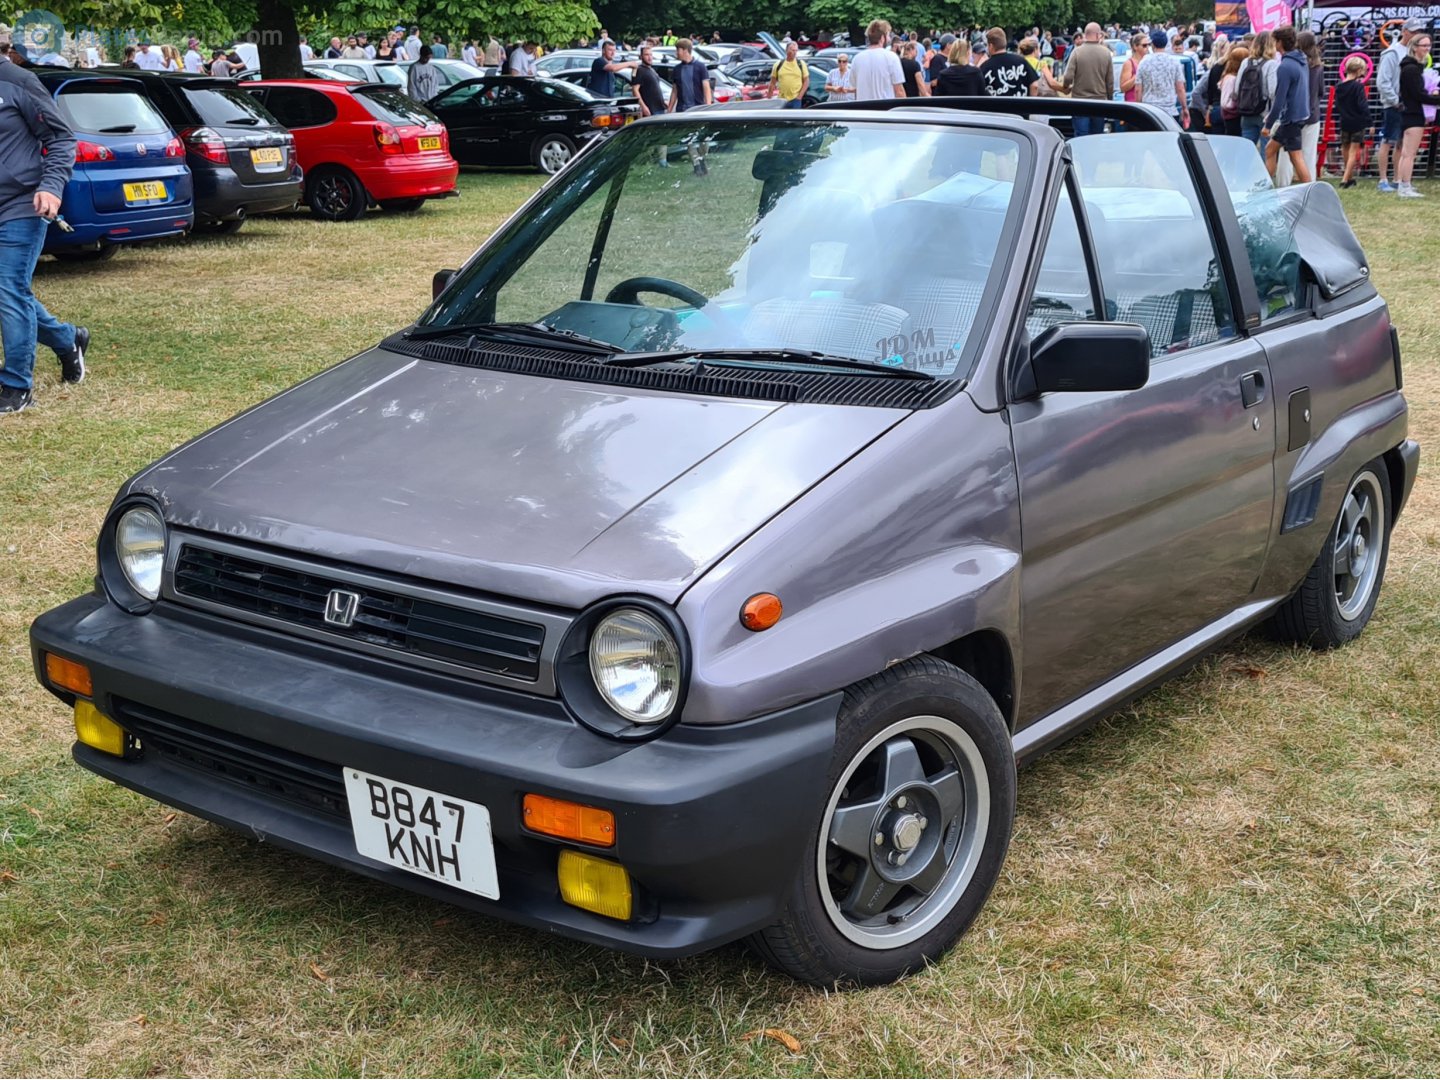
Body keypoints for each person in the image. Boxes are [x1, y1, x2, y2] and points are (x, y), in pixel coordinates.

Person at [0, 47, 88, 415]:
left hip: (21, 203)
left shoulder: (19, 82)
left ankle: (16, 386)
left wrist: (50, 186)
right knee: (11, 290)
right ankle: (68, 340)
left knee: (7, 287)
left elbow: (62, 139)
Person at [1377, 17, 1424, 191]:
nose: (1416, 35)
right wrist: (1395, 101)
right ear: (1404, 31)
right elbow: (1383, 81)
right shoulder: (1392, 53)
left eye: (1418, 32)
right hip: (1394, 104)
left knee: (1401, 144)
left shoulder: (1415, 54)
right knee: (1388, 140)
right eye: (1413, 32)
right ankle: (1383, 179)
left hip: (1408, 104)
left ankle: (1398, 179)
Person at [1262, 25, 1309, 184]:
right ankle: (1266, 187)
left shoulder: (1285, 66)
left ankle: (1311, 192)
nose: (1274, 44)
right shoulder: (1301, 60)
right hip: (1299, 114)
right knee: (1271, 150)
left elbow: (1279, 98)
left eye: (1275, 41)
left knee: (1296, 156)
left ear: (1280, 42)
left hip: (1291, 118)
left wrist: (1268, 125)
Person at [1396, 34, 1440, 197]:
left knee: (1407, 153)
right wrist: (1436, 98)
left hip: (1411, 112)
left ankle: (1403, 184)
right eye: (1424, 46)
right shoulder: (1412, 69)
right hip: (1413, 113)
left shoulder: (1411, 68)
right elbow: (1418, 95)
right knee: (1409, 153)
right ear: (1415, 47)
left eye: (1429, 45)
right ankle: (1405, 186)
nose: (1427, 49)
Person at [666, 38, 712, 174]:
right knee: (689, 139)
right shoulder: (676, 69)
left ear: (685, 50)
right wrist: (669, 109)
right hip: (683, 110)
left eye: (678, 50)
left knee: (704, 140)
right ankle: (696, 165)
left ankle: (702, 158)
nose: (676, 53)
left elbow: (706, 88)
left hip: (699, 109)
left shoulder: (700, 67)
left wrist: (708, 106)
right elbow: (674, 90)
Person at [1063, 22, 1113, 133]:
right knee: (1096, 136)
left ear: (1085, 34)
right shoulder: (1106, 53)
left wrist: (1066, 86)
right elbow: (1110, 81)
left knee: (1081, 135)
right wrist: (1110, 99)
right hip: (1099, 102)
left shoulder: (1077, 52)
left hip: (1079, 101)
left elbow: (1068, 77)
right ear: (1098, 35)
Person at [1136, 27, 1188, 127]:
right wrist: (1184, 108)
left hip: (1150, 111)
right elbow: (1180, 88)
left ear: (1153, 45)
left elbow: (1138, 89)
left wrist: (1139, 107)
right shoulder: (1174, 62)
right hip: (1170, 112)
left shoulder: (1143, 62)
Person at [1335, 56, 1369, 188]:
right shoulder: (1358, 86)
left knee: (1345, 148)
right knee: (1353, 151)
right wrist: (1369, 122)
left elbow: (1337, 105)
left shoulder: (1339, 86)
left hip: (1344, 121)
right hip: (1357, 122)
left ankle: (1349, 177)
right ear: (1359, 70)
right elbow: (1362, 105)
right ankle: (1345, 179)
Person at [851, 19, 905, 100]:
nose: (889, 39)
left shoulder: (857, 59)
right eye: (888, 35)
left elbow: (854, 88)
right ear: (883, 38)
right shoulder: (892, 57)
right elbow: (899, 91)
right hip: (885, 110)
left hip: (863, 110)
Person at [980, 26, 1037, 97]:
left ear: (991, 46)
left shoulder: (985, 67)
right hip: (1021, 106)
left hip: (996, 107)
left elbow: (978, 89)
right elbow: (1034, 86)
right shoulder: (1021, 61)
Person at [1235, 30, 1270, 147]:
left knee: (1246, 150)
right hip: (1264, 113)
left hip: (1247, 111)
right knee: (1266, 152)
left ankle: (1243, 166)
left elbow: (1237, 89)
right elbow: (1274, 92)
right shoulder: (1271, 64)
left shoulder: (1246, 62)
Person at [768, 40, 810, 107]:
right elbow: (772, 83)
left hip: (795, 100)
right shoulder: (778, 64)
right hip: (781, 99)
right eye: (792, 50)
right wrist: (769, 98)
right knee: (781, 117)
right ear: (786, 50)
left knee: (794, 117)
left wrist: (799, 96)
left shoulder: (801, 64)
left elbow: (806, 81)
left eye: (796, 50)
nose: (795, 53)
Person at [1218, 45, 1248, 137]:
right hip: (1232, 118)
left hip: (1234, 116)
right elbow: (1226, 103)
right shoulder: (1231, 79)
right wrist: (1238, 108)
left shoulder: (1233, 77)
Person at [633, 45, 666, 117]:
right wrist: (643, 106)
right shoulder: (640, 70)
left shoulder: (651, 69)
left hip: (659, 108)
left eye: (650, 54)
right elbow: (635, 90)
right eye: (646, 55)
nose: (649, 57)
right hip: (651, 110)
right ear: (641, 56)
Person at [1120, 33, 1147, 103]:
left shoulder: (1147, 62)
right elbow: (1123, 88)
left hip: (1147, 104)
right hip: (1133, 104)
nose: (1147, 47)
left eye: (1148, 45)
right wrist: (1136, 77)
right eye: (1144, 45)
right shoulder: (1129, 63)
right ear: (1135, 46)